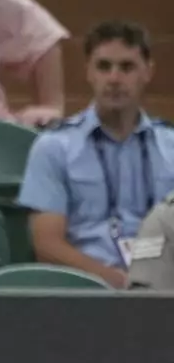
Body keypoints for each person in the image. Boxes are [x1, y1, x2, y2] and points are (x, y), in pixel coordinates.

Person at [18, 21, 174, 289]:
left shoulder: (171, 145)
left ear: (147, 72)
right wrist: (113, 279)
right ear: (88, 73)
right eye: (103, 67)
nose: (114, 78)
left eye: (127, 67)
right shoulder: (54, 147)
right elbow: (47, 245)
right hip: (86, 290)